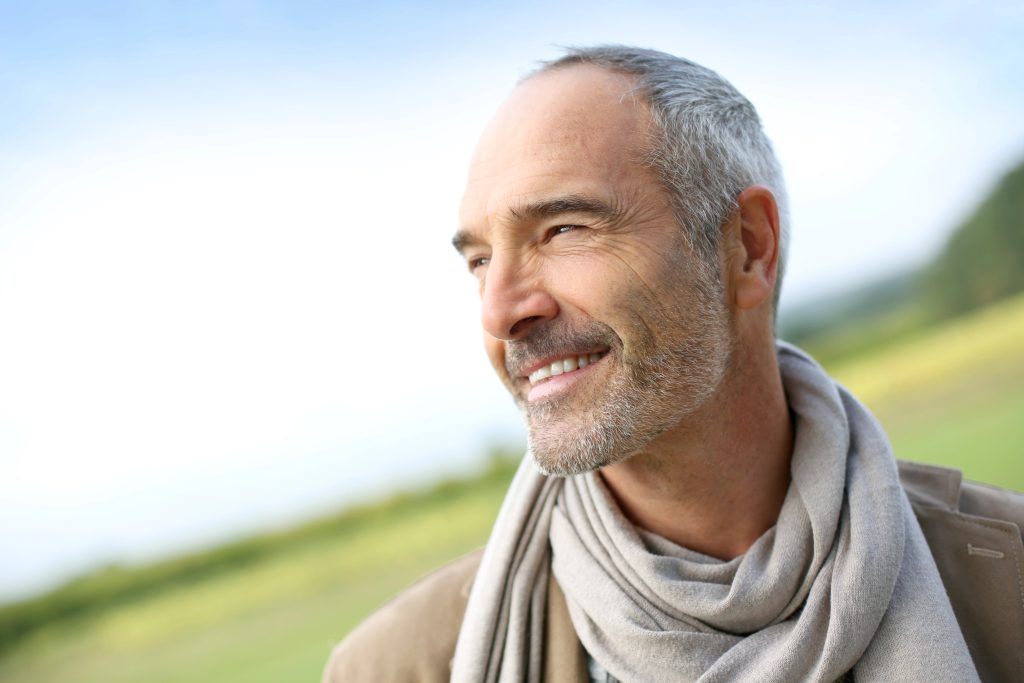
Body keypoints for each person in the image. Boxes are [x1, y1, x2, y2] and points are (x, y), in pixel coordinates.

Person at [323, 46, 1024, 682]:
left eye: (563, 229)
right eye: (479, 261)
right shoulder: (395, 667)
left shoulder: (1008, 581)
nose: (499, 311)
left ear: (748, 247)